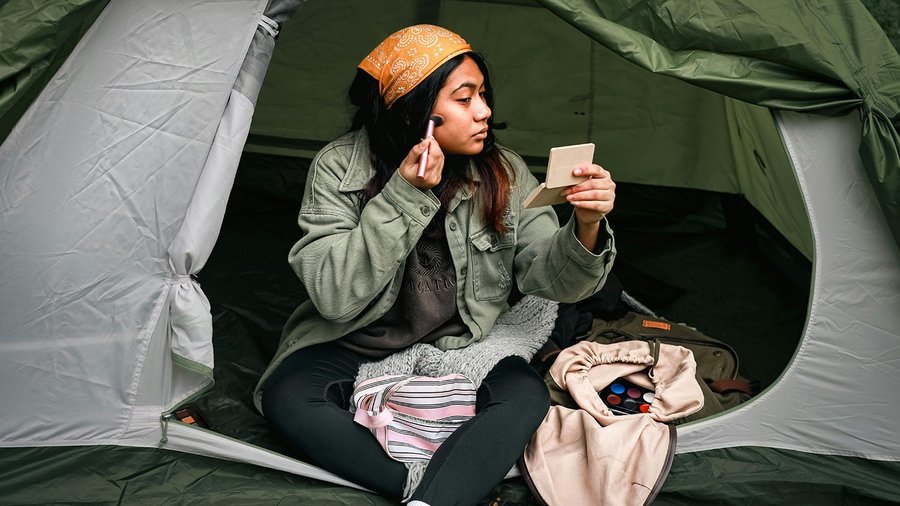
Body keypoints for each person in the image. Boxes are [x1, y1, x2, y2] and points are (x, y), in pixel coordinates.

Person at [253, 24, 617, 505]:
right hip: (356, 341)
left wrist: (586, 225)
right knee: (287, 398)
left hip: (465, 341)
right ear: (415, 109)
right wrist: (404, 196)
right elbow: (335, 295)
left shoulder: (502, 171)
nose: (485, 112)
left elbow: (548, 278)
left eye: (483, 95)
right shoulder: (339, 168)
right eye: (464, 99)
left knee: (523, 396)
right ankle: (427, 488)